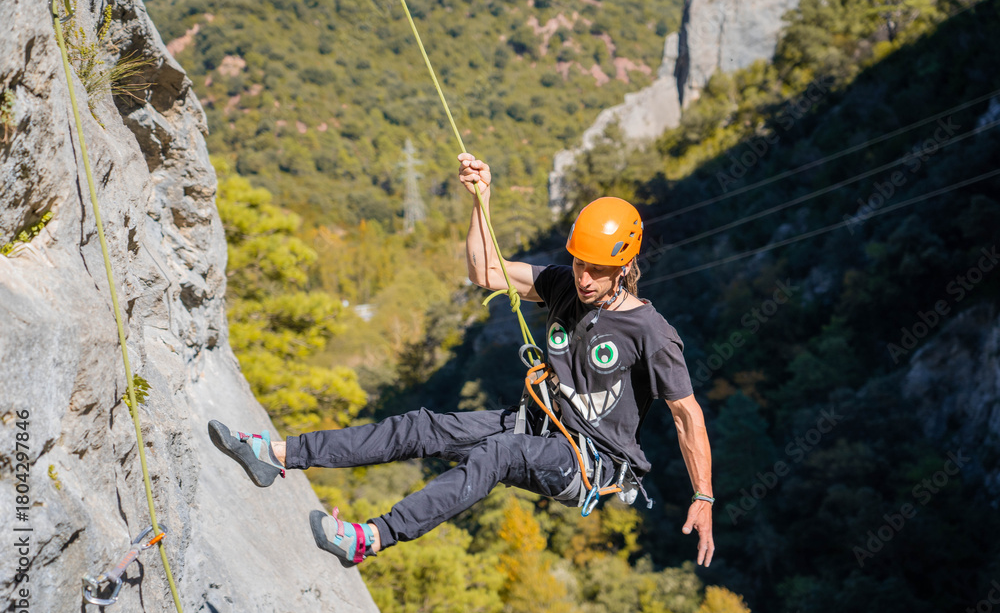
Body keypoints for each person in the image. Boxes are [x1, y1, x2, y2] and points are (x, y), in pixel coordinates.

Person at [207, 153, 715, 568]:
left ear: (624, 266)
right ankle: (276, 456)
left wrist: (704, 497)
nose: (585, 278)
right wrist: (480, 202)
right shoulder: (563, 283)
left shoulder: (651, 331)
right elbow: (485, 271)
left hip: (589, 462)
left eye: (599, 270)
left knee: (496, 455)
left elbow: (686, 414)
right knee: (420, 427)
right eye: (581, 263)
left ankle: (371, 538)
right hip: (536, 424)